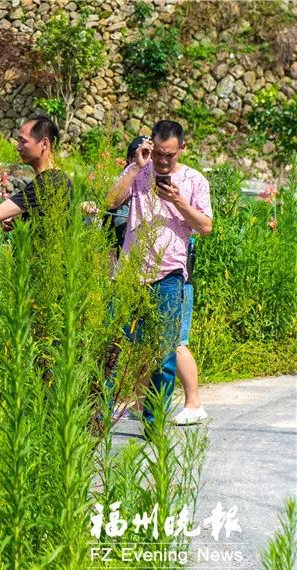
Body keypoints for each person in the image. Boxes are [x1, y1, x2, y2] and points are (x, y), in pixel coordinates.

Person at [107, 120, 212, 432]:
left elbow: (205, 227)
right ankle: (98, 417)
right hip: (128, 274)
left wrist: (177, 201)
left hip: (168, 275)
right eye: (158, 154)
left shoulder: (194, 180)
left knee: (163, 354)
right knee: (111, 348)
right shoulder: (138, 172)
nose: (164, 162)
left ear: (182, 148)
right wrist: (135, 168)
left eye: (170, 155)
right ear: (149, 146)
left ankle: (153, 424)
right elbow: (110, 202)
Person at [174, 236, 208, 424]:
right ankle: (140, 403)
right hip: (155, 278)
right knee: (148, 341)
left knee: (176, 343)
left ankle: (194, 403)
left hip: (177, 281)